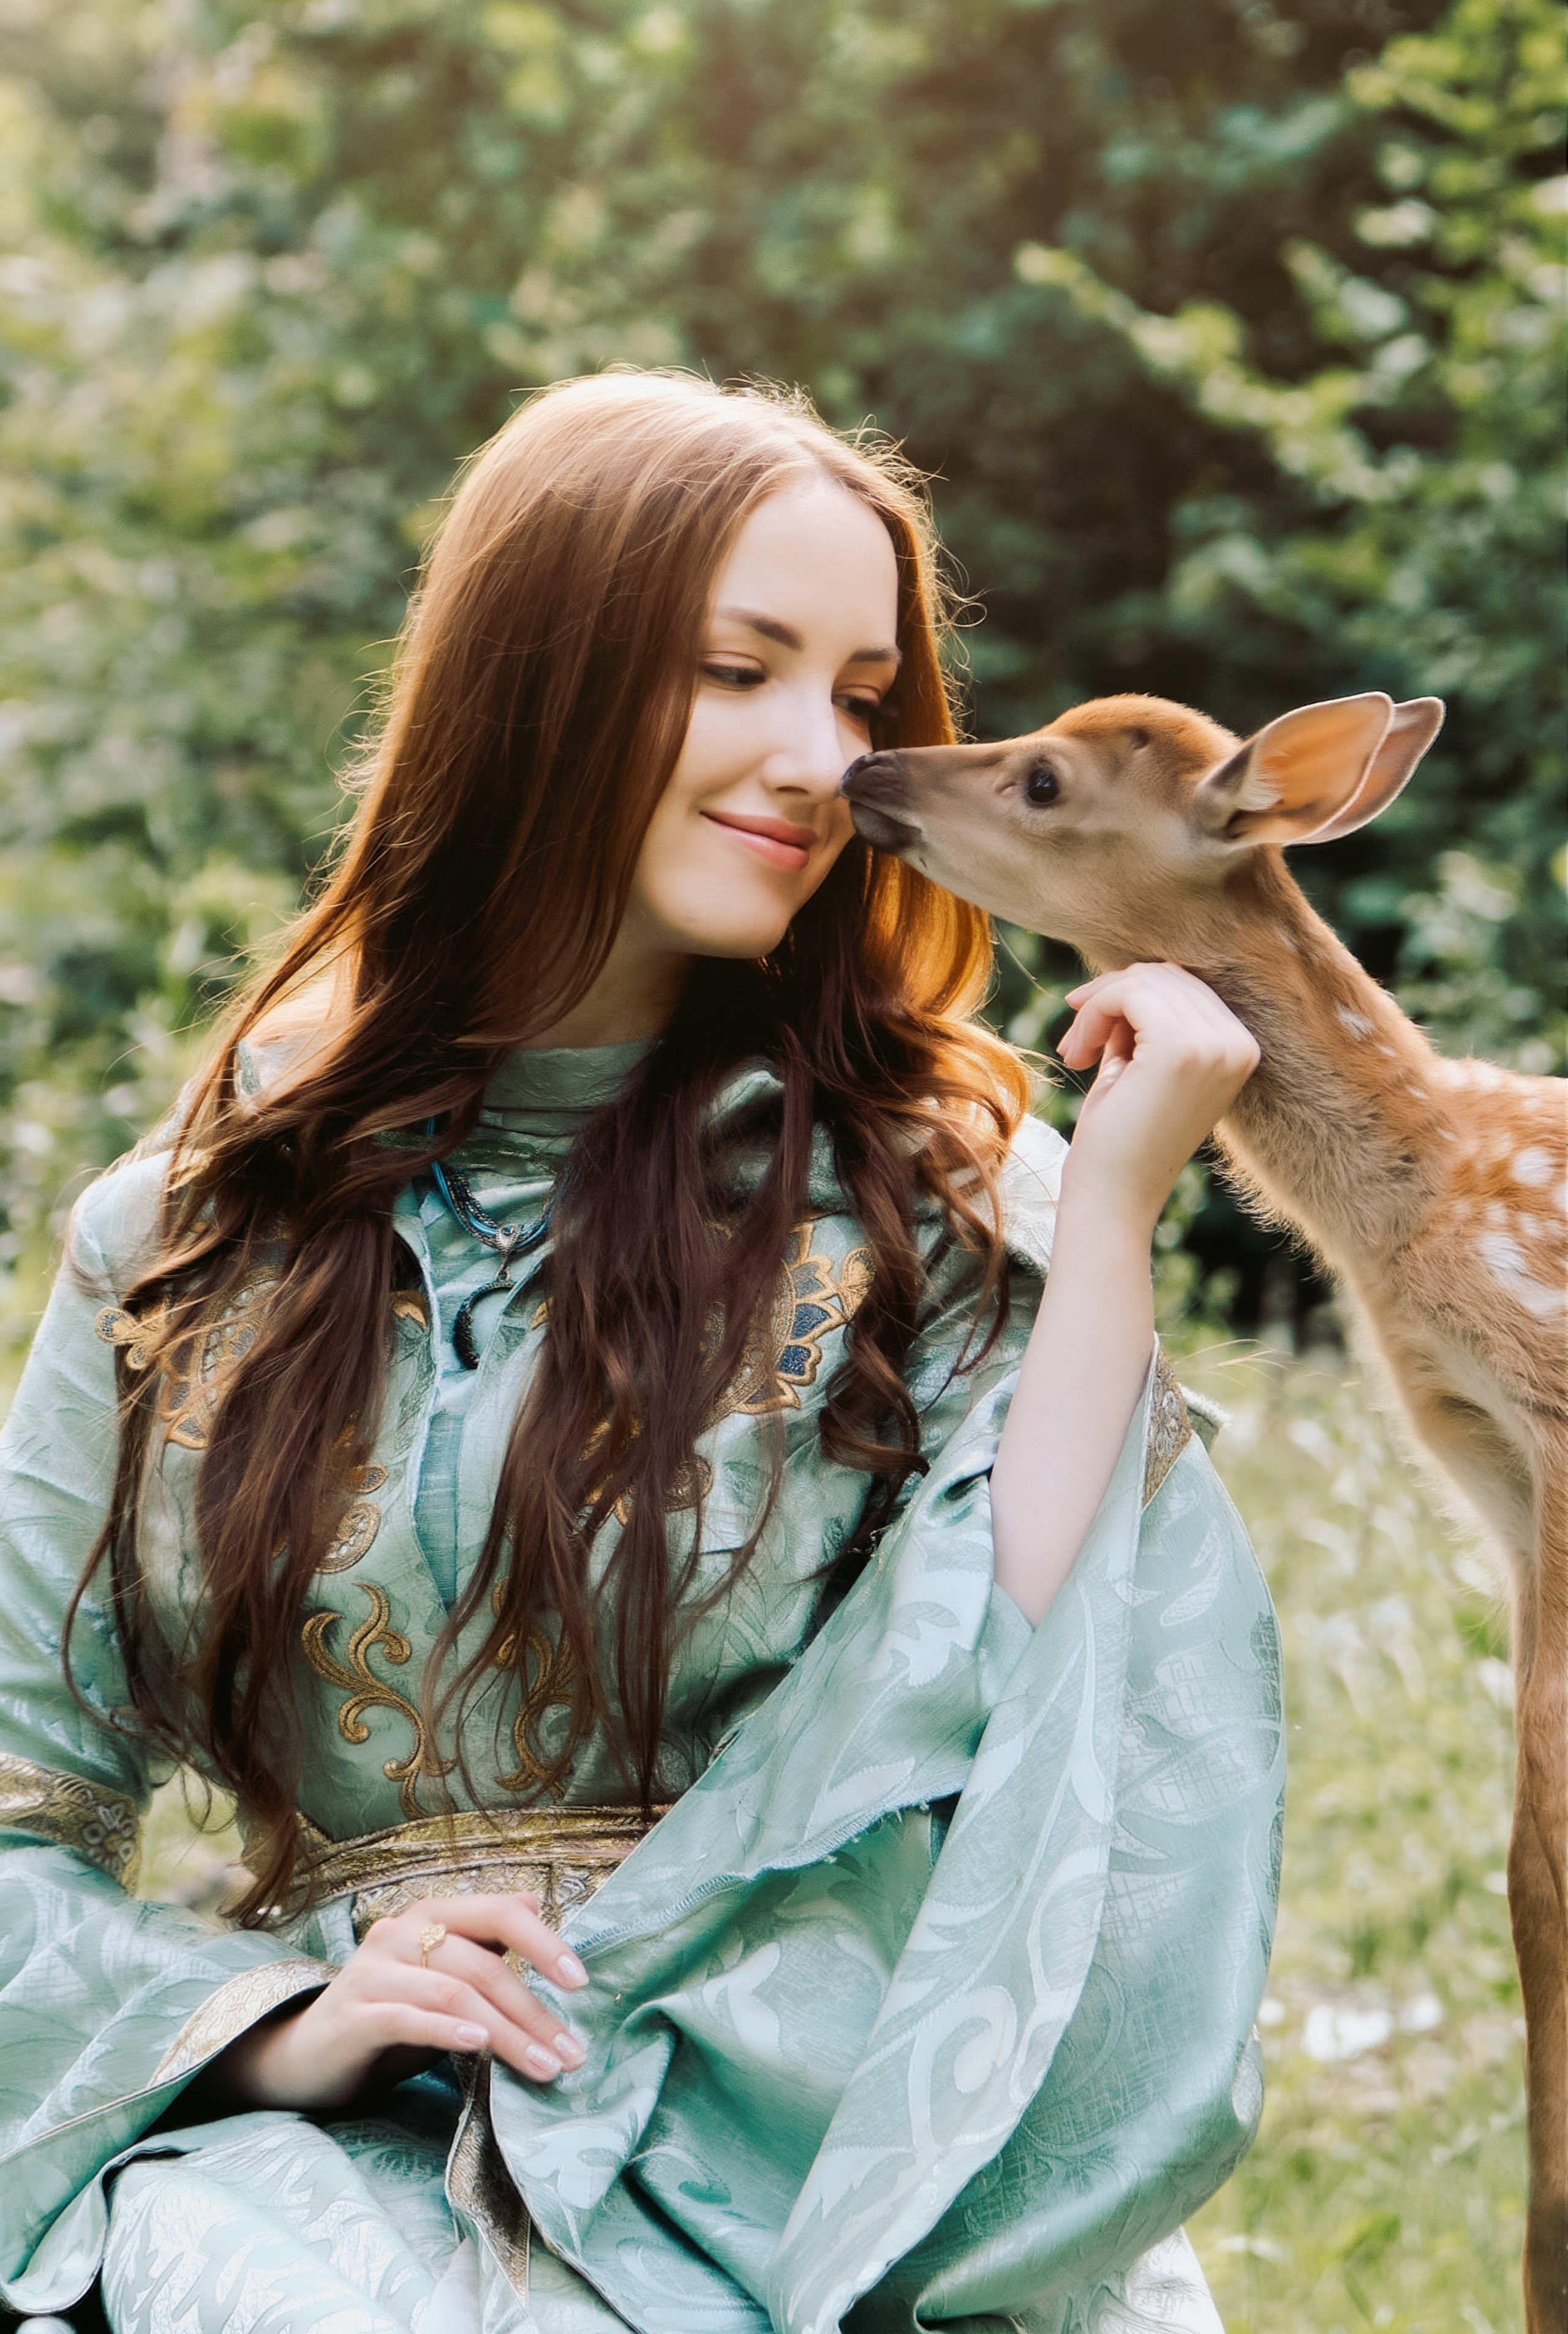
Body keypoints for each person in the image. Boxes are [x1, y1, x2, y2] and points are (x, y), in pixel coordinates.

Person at [0, 371, 1281, 2334]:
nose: (819, 757)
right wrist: (266, 2028)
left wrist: (1109, 1214)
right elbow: (23, 1805)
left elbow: (1043, 1676)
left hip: (818, 2147)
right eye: (732, 668)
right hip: (340, 2167)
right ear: (535, 681)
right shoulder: (175, 1237)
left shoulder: (937, 1195)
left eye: (862, 696)